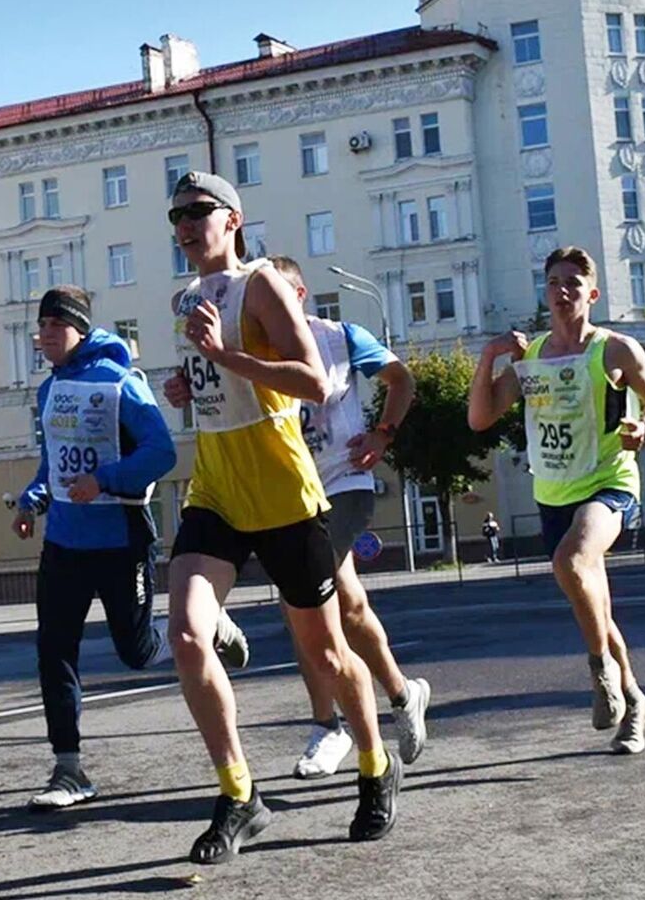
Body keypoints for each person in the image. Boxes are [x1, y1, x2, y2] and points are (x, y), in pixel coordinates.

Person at [160, 172, 400, 865]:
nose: (183, 225)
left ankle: (376, 765)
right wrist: (189, 384)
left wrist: (222, 356)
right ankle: (239, 793)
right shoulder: (188, 298)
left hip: (285, 495)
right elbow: (220, 388)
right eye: (175, 216)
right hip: (216, 492)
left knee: (327, 655)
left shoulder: (259, 285)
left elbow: (312, 380)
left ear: (232, 219)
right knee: (183, 634)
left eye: (197, 212)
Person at [16, 285, 246, 811]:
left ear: (77, 327)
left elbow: (161, 452)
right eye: (40, 326)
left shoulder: (121, 383)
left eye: (53, 325)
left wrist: (106, 479)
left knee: (136, 651)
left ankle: (209, 626)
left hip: (120, 539)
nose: (43, 335)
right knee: (54, 651)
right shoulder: (49, 391)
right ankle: (69, 770)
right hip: (64, 544)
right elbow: (50, 462)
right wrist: (32, 501)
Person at [467, 246, 645, 755]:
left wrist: (643, 425)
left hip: (609, 482)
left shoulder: (614, 350)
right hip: (553, 492)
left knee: (573, 558)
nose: (561, 292)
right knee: (593, 600)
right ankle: (634, 699)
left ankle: (601, 673)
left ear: (591, 294)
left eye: (572, 284)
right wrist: (489, 357)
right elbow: (480, 418)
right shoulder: (530, 357)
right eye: (553, 283)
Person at [265, 255, 432, 780]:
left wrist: (384, 432)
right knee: (351, 605)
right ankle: (404, 695)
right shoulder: (254, 345)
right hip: (293, 490)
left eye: (277, 294)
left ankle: (328, 725)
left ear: (300, 296)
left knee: (304, 601)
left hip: (345, 482)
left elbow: (401, 379)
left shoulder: (340, 336)